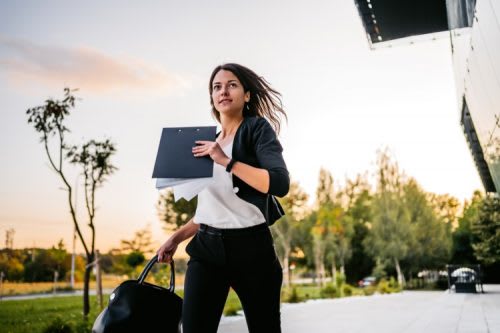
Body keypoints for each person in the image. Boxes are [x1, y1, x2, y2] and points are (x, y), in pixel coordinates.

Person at [156, 63, 289, 333]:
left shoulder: (256, 130)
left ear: (246, 95)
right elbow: (211, 209)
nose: (223, 91)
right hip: (207, 249)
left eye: (232, 85)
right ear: (212, 98)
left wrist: (226, 161)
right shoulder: (205, 143)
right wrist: (176, 238)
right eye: (217, 87)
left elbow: (279, 183)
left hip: (252, 249)